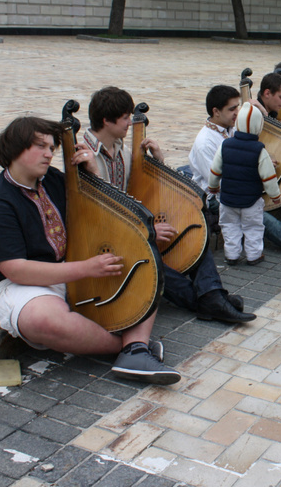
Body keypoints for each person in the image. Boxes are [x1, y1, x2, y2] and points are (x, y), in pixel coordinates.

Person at [0, 116, 181, 385]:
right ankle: (129, 347)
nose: (49, 154)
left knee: (144, 258)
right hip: (14, 284)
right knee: (42, 320)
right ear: (15, 148)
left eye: (51, 148)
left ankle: (136, 350)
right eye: (41, 147)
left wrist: (92, 172)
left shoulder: (53, 180)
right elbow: (16, 269)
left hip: (68, 267)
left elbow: (104, 214)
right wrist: (87, 268)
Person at [85, 87, 255, 323]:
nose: (129, 124)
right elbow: (97, 213)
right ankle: (207, 301)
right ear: (106, 120)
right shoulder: (84, 155)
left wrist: (158, 161)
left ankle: (213, 295)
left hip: (130, 227)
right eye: (125, 118)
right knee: (149, 260)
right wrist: (148, 231)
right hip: (107, 240)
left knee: (195, 227)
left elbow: (140, 190)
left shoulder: (121, 150)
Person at [191, 85, 281, 255]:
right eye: (232, 108)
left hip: (240, 186)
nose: (237, 112)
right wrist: (258, 175)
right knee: (266, 221)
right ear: (216, 111)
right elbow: (218, 182)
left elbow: (253, 143)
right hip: (218, 197)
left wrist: (264, 161)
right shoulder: (205, 143)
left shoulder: (232, 128)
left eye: (238, 107)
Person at [208, 102, 281, 265]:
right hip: (251, 201)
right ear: (258, 127)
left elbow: (215, 170)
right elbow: (268, 177)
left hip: (227, 199)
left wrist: (213, 187)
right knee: (253, 228)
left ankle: (231, 255)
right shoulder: (259, 150)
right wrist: (275, 195)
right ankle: (254, 255)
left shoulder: (225, 145)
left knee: (229, 227)